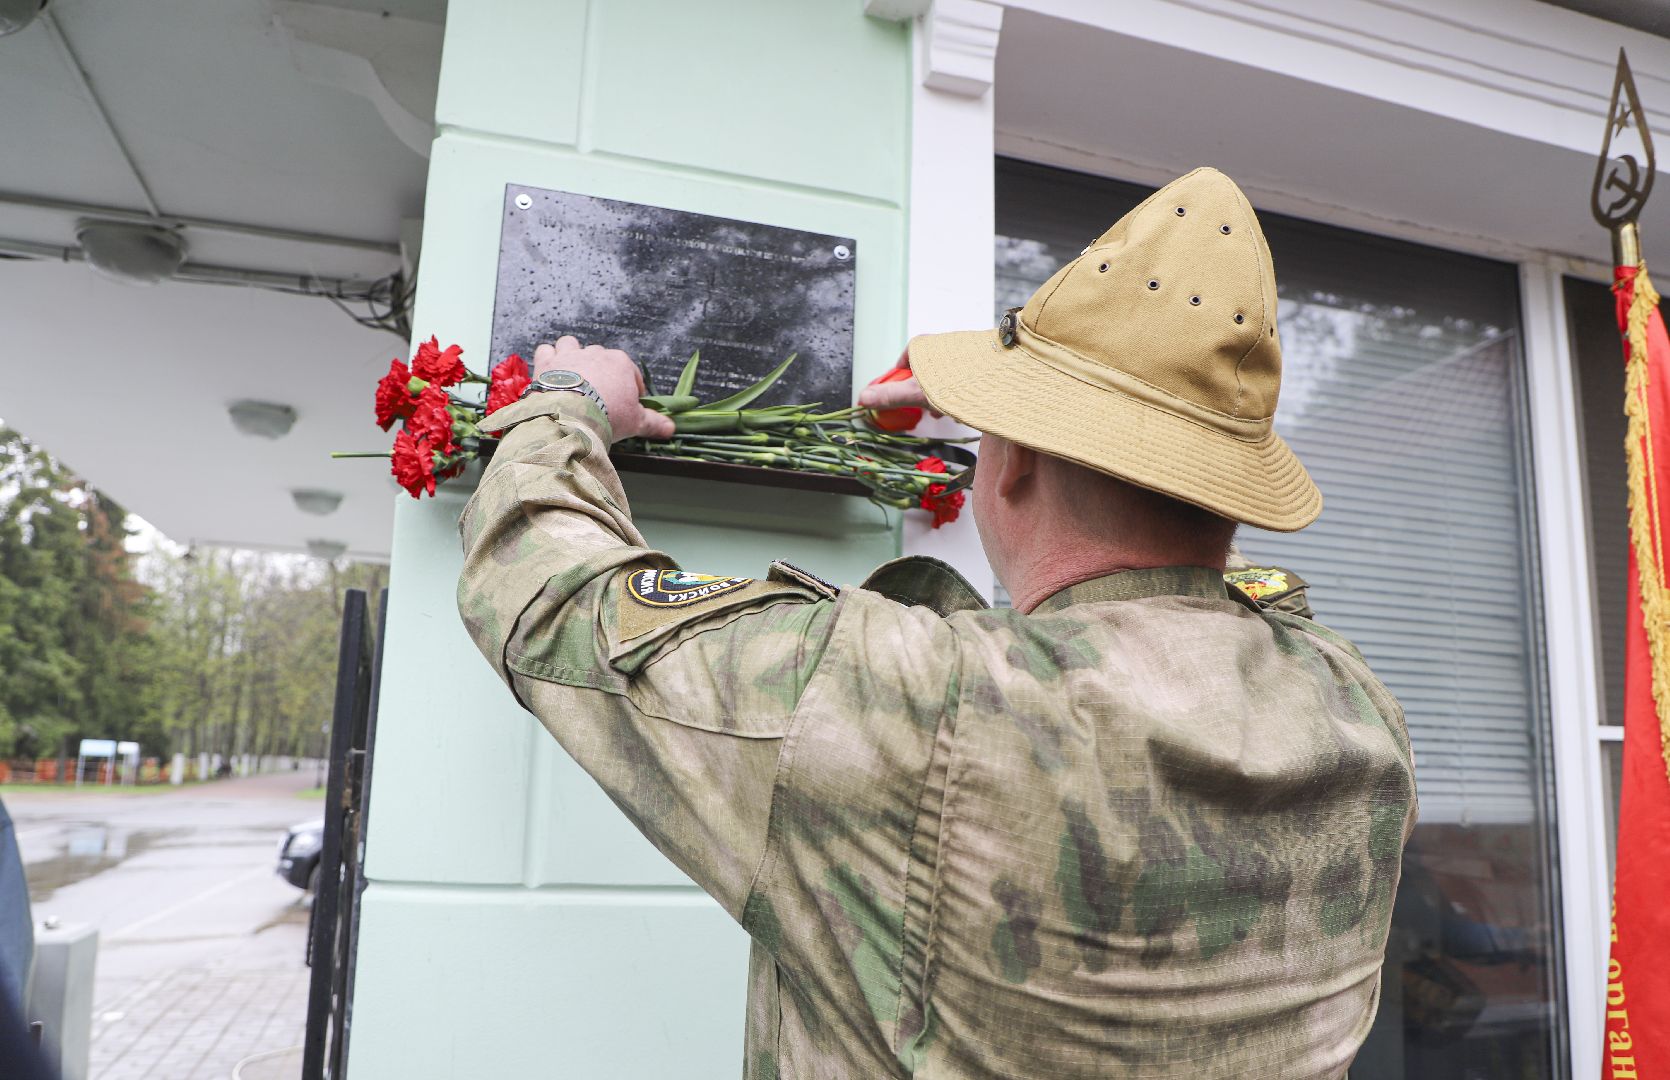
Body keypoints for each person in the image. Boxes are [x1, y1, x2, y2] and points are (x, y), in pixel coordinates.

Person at [456, 167, 1416, 1078]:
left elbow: (549, 599)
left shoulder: (916, 705)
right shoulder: (1357, 714)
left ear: (1012, 468)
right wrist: (1033, 417)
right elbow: (1235, 596)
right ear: (1226, 493)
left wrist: (567, 407)